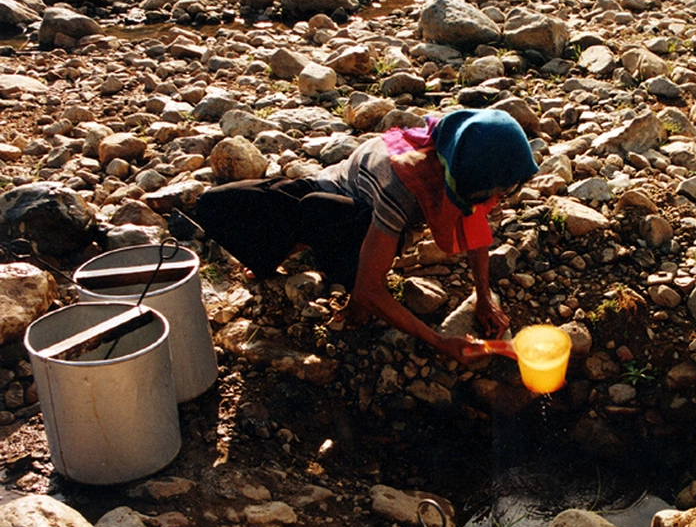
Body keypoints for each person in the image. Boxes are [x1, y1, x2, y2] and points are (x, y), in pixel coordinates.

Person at [193, 109, 539, 363]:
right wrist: (439, 340)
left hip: (349, 211)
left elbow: (476, 225)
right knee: (215, 205)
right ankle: (300, 247)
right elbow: (370, 288)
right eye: (492, 194)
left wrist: (483, 296)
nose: (496, 202)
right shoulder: (404, 183)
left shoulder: (459, 150)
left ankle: (307, 244)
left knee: (321, 215)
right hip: (335, 196)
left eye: (504, 192)